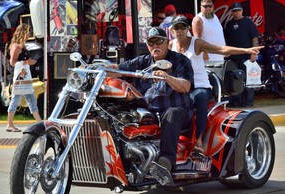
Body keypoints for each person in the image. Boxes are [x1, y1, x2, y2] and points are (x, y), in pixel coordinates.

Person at [169, 15, 262, 153]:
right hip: (181, 86)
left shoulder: (196, 43)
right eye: (177, 28)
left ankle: (199, 141)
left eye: (183, 27)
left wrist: (246, 50)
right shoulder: (171, 45)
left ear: (188, 29)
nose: (180, 31)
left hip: (201, 86)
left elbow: (220, 49)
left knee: (199, 97)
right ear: (172, 30)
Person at [110, 27, 194, 171]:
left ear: (167, 42)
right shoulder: (142, 62)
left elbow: (186, 86)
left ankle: (166, 162)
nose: (155, 46)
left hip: (179, 112)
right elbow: (118, 69)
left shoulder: (180, 60)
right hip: (149, 112)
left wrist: (167, 77)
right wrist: (98, 68)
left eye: (159, 41)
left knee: (172, 113)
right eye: (151, 43)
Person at [6, 23, 42, 132]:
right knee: (16, 100)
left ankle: (40, 122)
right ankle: (10, 124)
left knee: (30, 99)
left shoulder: (22, 45)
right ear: (23, 33)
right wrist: (27, 62)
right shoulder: (16, 46)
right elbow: (12, 62)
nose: (29, 35)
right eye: (28, 32)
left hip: (24, 77)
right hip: (20, 78)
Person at [224, 2, 260, 107]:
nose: (237, 12)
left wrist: (254, 52)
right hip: (233, 57)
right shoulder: (229, 24)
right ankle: (236, 101)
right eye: (235, 10)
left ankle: (248, 102)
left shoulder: (248, 22)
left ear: (242, 11)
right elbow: (226, 39)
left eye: (239, 10)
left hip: (246, 57)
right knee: (235, 80)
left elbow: (254, 37)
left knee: (249, 80)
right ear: (231, 12)